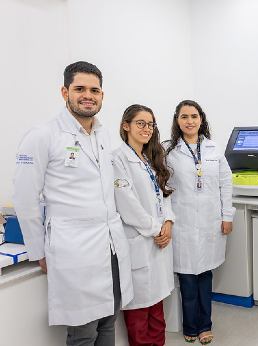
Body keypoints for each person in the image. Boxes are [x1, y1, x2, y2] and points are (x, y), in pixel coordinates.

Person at [12, 61, 133, 346]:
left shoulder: (102, 134)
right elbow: (24, 198)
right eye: (80, 89)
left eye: (94, 90)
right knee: (82, 333)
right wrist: (38, 249)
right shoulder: (43, 135)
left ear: (102, 95)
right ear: (65, 91)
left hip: (111, 246)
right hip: (74, 250)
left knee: (108, 323)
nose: (87, 95)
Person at [164, 100, 235, 345]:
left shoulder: (214, 149)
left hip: (209, 222)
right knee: (186, 277)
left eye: (194, 116)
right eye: (184, 117)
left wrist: (227, 216)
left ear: (201, 119)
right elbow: (163, 188)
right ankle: (190, 326)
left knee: (205, 275)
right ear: (177, 121)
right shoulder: (168, 151)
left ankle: (205, 325)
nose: (190, 121)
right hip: (182, 223)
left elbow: (226, 184)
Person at [113, 104, 175, 346]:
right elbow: (127, 204)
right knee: (139, 314)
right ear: (126, 125)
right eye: (140, 123)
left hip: (158, 240)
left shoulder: (149, 158)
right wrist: (156, 228)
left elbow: (163, 195)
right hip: (140, 239)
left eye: (150, 124)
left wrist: (168, 221)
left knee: (157, 309)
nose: (146, 128)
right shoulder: (118, 159)